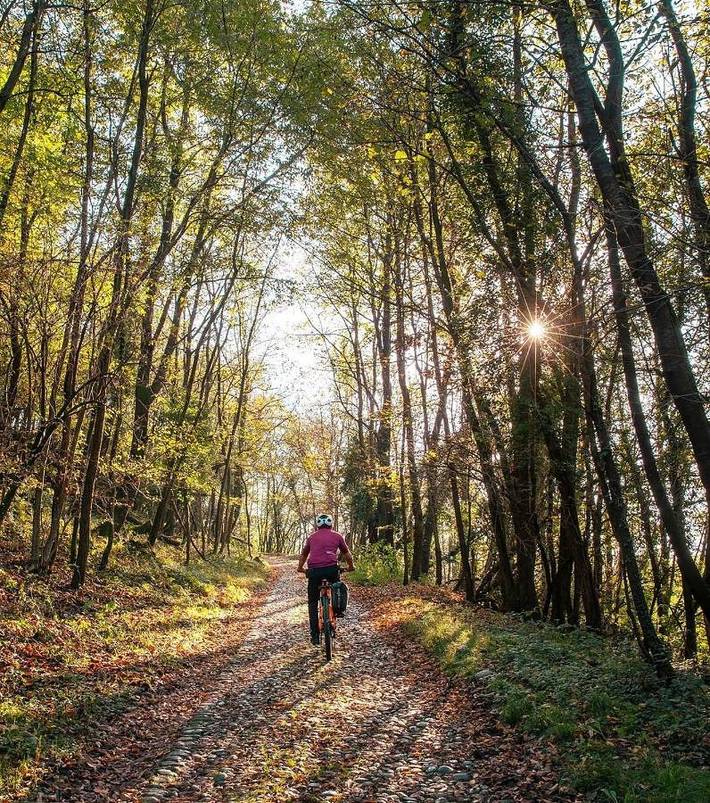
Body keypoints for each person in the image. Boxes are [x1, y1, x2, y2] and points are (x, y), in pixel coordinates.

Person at [297, 513, 355, 645]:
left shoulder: (311, 537)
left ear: (318, 525)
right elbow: (347, 554)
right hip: (331, 570)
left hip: (314, 572)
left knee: (312, 602)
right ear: (331, 524)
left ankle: (315, 636)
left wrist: (300, 568)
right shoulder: (337, 536)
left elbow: (304, 555)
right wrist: (351, 566)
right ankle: (336, 611)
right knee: (336, 590)